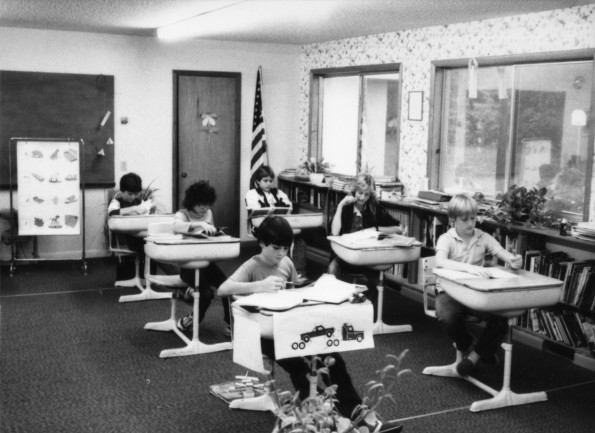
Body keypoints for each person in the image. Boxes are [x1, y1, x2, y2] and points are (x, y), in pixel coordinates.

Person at [218, 215, 402, 433]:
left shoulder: (285, 263)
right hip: (263, 334)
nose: (281, 253)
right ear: (261, 243)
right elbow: (223, 289)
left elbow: (295, 291)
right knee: (300, 365)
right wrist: (259, 286)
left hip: (291, 327)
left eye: (286, 248)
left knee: (333, 361)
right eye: (276, 248)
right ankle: (322, 419)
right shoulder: (251, 266)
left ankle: (358, 418)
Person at [434, 193, 523, 377]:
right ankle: (480, 349)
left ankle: (473, 357)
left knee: (501, 319)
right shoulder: (446, 238)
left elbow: (500, 251)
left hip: (477, 294)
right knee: (447, 316)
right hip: (450, 292)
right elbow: (441, 262)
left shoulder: (483, 237)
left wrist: (513, 260)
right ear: (452, 220)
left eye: (473, 218)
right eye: (464, 219)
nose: (470, 224)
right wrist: (470, 269)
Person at [328, 173, 404, 318]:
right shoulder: (346, 207)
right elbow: (334, 232)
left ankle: (362, 311)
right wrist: (339, 206)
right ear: (354, 191)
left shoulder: (374, 208)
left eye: (367, 194)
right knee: (332, 269)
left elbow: (398, 228)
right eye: (360, 193)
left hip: (366, 259)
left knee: (379, 282)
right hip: (344, 256)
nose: (362, 197)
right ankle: (333, 311)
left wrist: (376, 229)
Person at [173, 180, 231, 336]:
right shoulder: (182, 214)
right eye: (201, 206)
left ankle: (229, 323)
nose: (204, 209)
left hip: (206, 262)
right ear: (192, 203)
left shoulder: (208, 213)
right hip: (188, 264)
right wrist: (196, 226)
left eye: (207, 205)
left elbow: (209, 235)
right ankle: (191, 320)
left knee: (228, 287)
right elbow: (176, 227)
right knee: (206, 294)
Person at [245, 165, 308, 277]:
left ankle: (298, 272)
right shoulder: (252, 194)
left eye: (270, 181)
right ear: (258, 181)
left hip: (279, 225)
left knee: (299, 240)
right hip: (261, 226)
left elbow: (289, 207)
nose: (269, 184)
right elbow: (255, 216)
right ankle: (281, 271)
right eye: (265, 181)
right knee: (281, 240)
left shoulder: (278, 193)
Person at [108, 172, 152, 279]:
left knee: (153, 246)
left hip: (142, 235)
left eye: (135, 194)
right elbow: (111, 213)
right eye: (129, 194)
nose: (133, 197)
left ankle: (150, 278)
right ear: (122, 191)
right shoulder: (116, 202)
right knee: (151, 249)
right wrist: (132, 209)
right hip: (128, 239)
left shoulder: (139, 201)